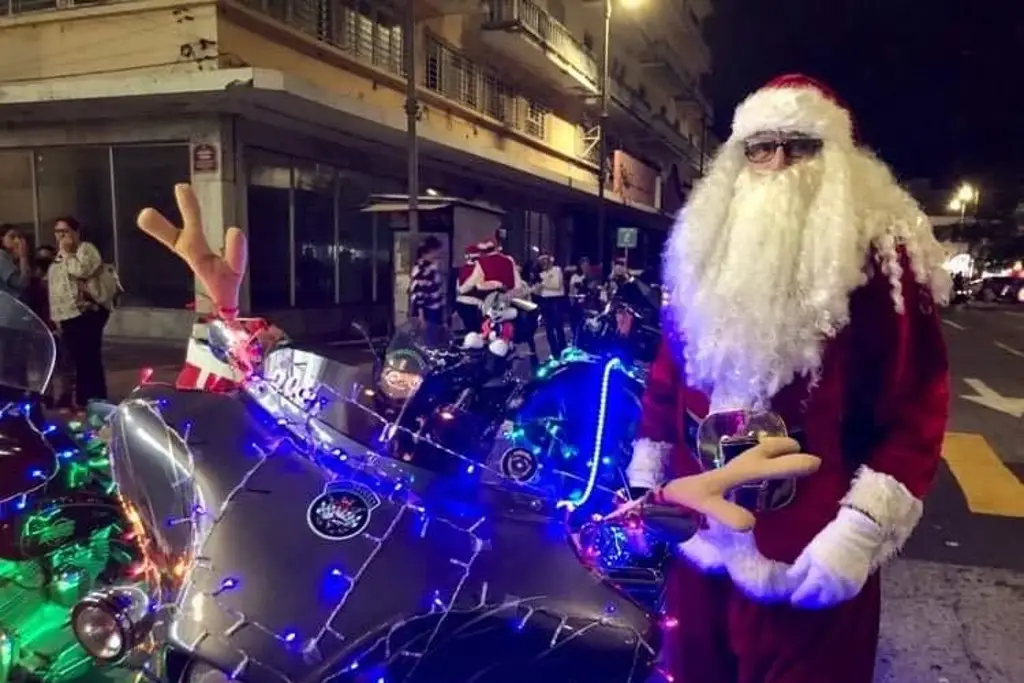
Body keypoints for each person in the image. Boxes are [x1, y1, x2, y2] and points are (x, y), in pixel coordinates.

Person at [624, 74, 951, 683]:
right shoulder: (707, 246)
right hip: (702, 537)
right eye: (761, 147)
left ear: (835, 156)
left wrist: (857, 532)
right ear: (740, 157)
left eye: (800, 146)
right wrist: (649, 468)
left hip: (809, 548)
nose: (778, 164)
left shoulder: (880, 259)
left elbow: (917, 404)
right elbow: (671, 369)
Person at [46, 217, 112, 407]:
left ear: (76, 232)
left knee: (89, 357)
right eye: (58, 232)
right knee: (77, 359)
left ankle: (95, 399)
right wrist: (55, 316)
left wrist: (67, 254)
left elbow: (82, 270)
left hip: (88, 311)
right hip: (67, 315)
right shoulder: (59, 255)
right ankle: (84, 400)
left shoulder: (86, 249)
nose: (61, 236)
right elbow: (55, 286)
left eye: (65, 231)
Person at [534, 253, 567, 357]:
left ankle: (563, 349)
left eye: (546, 260)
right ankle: (555, 352)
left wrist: (543, 284)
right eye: (541, 261)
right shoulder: (540, 274)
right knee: (549, 328)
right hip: (545, 301)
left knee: (558, 326)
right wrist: (541, 286)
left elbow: (556, 285)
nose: (544, 262)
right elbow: (536, 290)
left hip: (557, 300)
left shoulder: (557, 270)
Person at [408, 236, 445, 329]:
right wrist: (421, 317)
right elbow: (419, 294)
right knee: (429, 339)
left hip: (434, 308)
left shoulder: (431, 267)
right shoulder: (422, 269)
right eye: (435, 251)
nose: (438, 254)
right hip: (428, 310)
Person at [455, 243, 484, 333]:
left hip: (461, 301)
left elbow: (458, 287)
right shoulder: (481, 270)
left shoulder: (461, 269)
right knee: (477, 330)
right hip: (476, 304)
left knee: (469, 329)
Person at [0, 225, 31, 298]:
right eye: (12, 237)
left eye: (19, 237)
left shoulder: (11, 258)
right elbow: (21, 283)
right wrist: (23, 256)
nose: (17, 240)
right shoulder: (1, 257)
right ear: (1, 239)